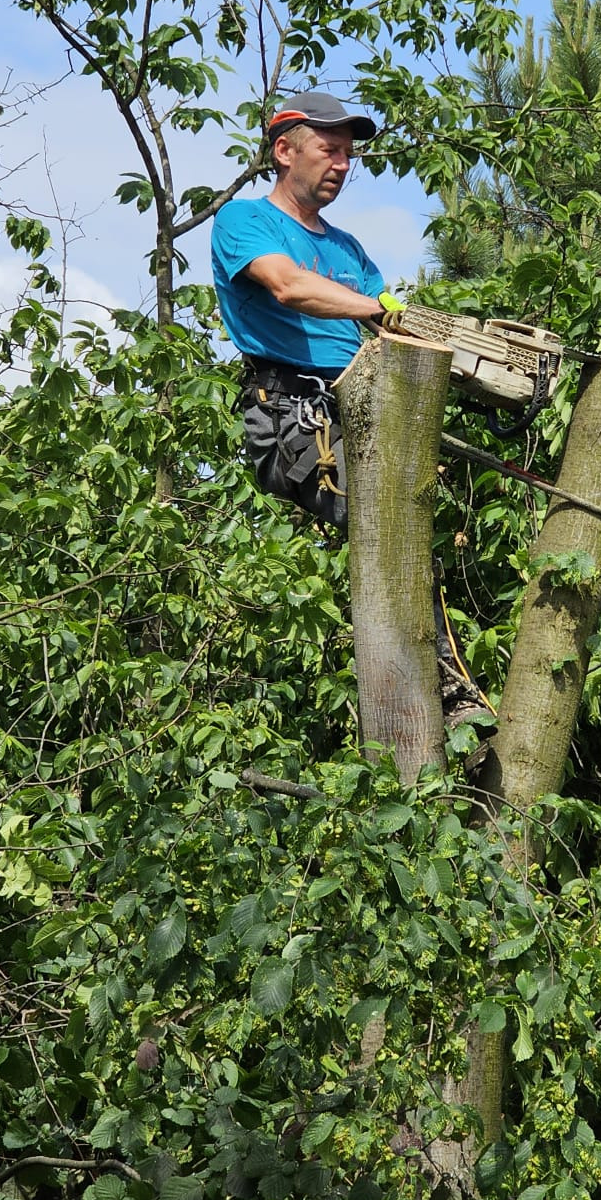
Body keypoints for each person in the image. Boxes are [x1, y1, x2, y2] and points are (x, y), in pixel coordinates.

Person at [211, 92, 486, 726]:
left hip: (362, 404)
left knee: (414, 519)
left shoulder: (352, 251)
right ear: (285, 151)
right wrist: (377, 308)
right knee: (384, 516)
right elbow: (287, 285)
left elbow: (394, 318)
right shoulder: (243, 221)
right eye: (328, 149)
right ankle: (437, 696)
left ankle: (433, 682)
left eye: (349, 153)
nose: (342, 163)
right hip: (290, 412)